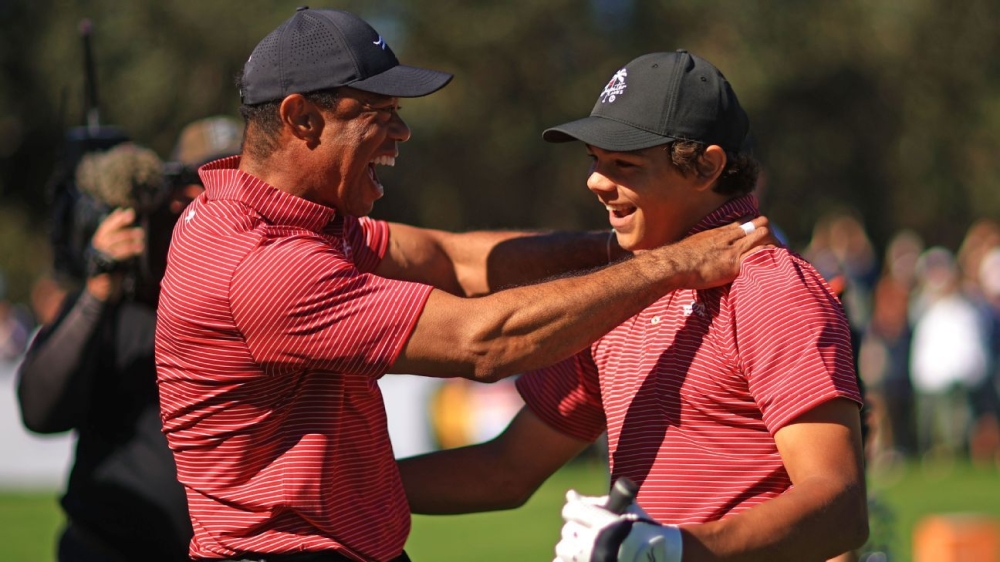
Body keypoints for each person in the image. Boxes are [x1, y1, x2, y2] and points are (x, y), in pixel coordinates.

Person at [153, 9, 774, 562]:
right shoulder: (263, 265)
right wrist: (675, 264)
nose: (402, 134)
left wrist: (623, 246)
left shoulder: (308, 225)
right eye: (380, 114)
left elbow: (458, 260)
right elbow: (484, 344)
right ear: (301, 118)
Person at [398, 50, 869, 562]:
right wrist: (336, 490)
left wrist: (673, 550)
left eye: (624, 164)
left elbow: (840, 507)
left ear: (706, 167)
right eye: (594, 160)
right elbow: (506, 470)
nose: (596, 182)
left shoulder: (769, 288)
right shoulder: (624, 289)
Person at [16, 118, 242, 562]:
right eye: (195, 183)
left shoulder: (269, 290)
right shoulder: (119, 296)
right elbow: (40, 411)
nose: (209, 202)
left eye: (230, 184)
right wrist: (100, 286)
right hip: (106, 548)